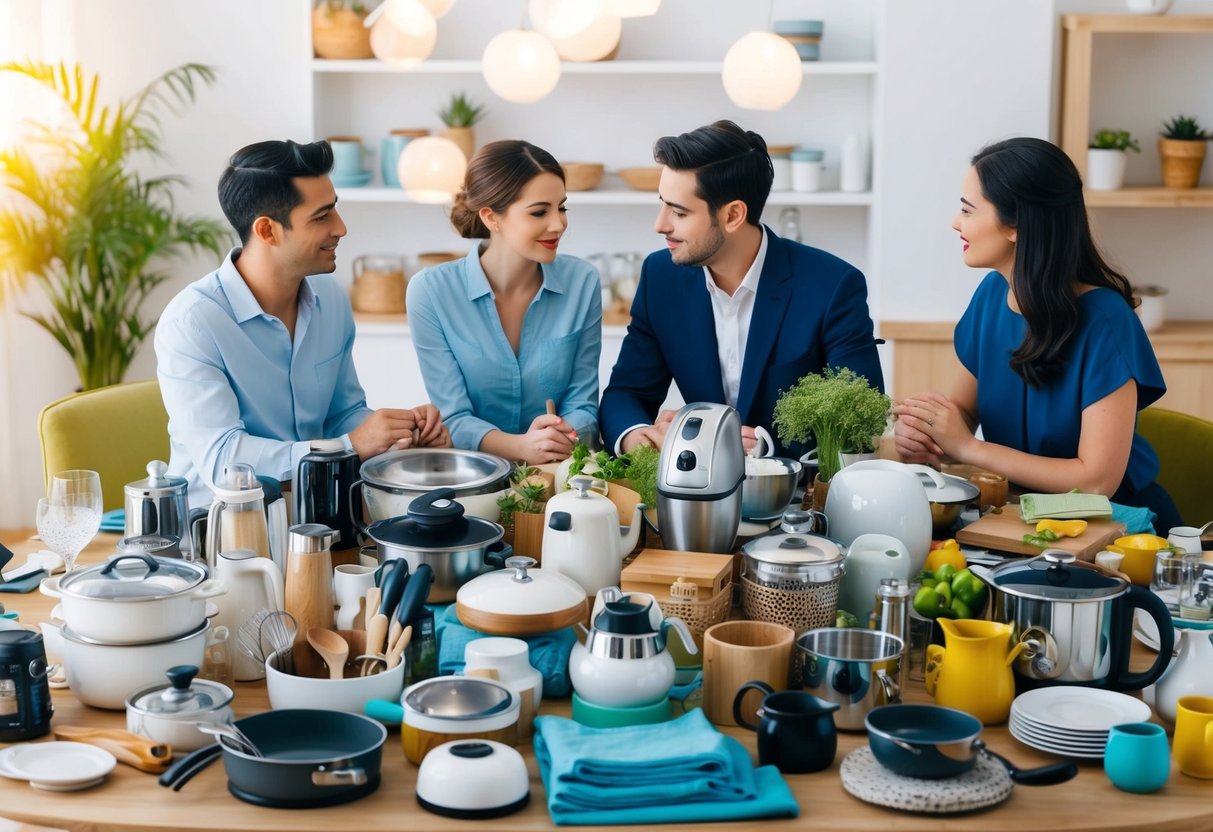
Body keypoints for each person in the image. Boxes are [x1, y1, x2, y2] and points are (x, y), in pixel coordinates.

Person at [892, 137, 1181, 532]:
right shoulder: (991, 295)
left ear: (1015, 225)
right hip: (1020, 516)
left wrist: (969, 448)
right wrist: (927, 433)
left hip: (1114, 530)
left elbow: (1096, 482)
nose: (955, 222)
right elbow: (965, 411)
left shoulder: (1107, 322)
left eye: (967, 210)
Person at [156, 139, 449, 508]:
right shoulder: (192, 323)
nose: (341, 228)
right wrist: (350, 446)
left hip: (319, 518)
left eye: (335, 210)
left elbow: (342, 413)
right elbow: (223, 461)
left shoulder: (332, 298)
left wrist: (396, 432)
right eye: (322, 216)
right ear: (267, 231)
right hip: (218, 533)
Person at [599, 120, 883, 456]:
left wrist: (762, 445)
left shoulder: (833, 285)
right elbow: (625, 393)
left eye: (678, 211)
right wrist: (638, 438)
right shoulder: (661, 277)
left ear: (733, 215)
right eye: (663, 204)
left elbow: (859, 419)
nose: (660, 224)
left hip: (795, 495)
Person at [406, 140, 601, 464]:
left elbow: (583, 405)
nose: (559, 224)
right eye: (540, 211)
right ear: (491, 218)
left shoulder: (583, 282)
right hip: (471, 475)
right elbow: (454, 417)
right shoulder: (431, 292)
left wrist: (560, 434)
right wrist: (521, 447)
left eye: (562, 207)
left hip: (560, 471)